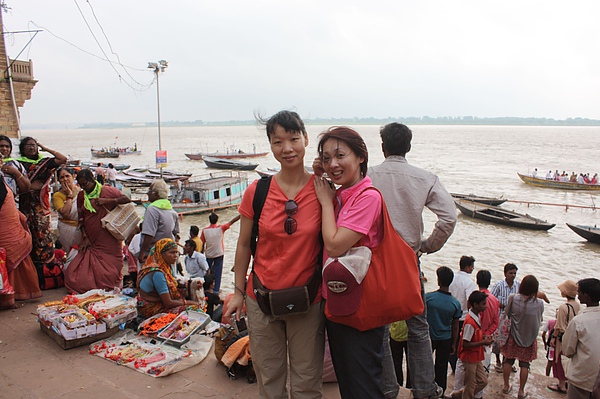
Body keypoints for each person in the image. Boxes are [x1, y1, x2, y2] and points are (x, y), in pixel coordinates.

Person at [226, 110, 325, 399]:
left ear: (306, 139)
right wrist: (237, 292)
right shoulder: (257, 191)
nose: (287, 148)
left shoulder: (323, 190)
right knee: (269, 381)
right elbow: (244, 244)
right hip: (261, 300)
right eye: (278, 141)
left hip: (309, 300)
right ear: (270, 145)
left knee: (307, 383)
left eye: (294, 139)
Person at [367, 122, 456, 399]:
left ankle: (388, 389)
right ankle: (425, 390)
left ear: (383, 148)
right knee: (418, 328)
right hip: (408, 259)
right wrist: (427, 246)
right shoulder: (425, 178)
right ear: (408, 147)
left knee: (380, 328)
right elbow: (449, 217)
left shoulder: (367, 175)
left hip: (375, 260)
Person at [311, 126, 387, 399]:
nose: (333, 164)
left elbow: (334, 244)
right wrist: (321, 177)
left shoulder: (367, 197)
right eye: (326, 157)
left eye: (340, 155)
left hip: (361, 309)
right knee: (350, 384)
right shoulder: (344, 194)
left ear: (361, 157)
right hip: (341, 303)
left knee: (363, 386)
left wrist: (325, 203)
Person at [63, 169, 131, 294]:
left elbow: (126, 199)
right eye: (81, 185)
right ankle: (95, 287)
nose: (84, 187)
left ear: (92, 180)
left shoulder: (107, 191)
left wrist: (108, 201)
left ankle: (111, 285)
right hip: (92, 238)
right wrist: (85, 236)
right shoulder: (82, 196)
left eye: (86, 184)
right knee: (75, 273)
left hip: (109, 236)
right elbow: (81, 218)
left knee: (112, 266)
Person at [17, 137, 67, 269]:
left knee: (43, 234)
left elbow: (62, 159)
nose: (32, 147)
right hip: (23, 204)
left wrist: (45, 148)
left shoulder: (44, 163)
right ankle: (30, 267)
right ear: (22, 149)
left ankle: (47, 267)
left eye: (34, 145)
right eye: (28, 145)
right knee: (26, 234)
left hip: (39, 205)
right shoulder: (17, 164)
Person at [0, 176, 42, 310]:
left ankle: (12, 296)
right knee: (7, 257)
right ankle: (7, 299)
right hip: (5, 227)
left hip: (9, 225)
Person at [500, 275, 544, 399]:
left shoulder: (513, 298)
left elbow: (506, 314)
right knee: (525, 365)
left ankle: (506, 386)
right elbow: (539, 318)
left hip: (513, 336)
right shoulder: (539, 303)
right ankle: (521, 391)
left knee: (508, 360)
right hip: (529, 338)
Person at [136, 238, 199, 318]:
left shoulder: (167, 266)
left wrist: (193, 284)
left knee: (185, 291)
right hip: (151, 306)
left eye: (176, 252)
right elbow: (168, 303)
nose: (175, 255)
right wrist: (189, 302)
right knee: (194, 309)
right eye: (172, 252)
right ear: (161, 253)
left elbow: (173, 281)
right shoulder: (158, 272)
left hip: (160, 300)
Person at [448, 291, 493, 399]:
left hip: (476, 356)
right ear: (476, 305)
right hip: (469, 358)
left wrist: (483, 338)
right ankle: (465, 395)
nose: (486, 306)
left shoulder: (476, 317)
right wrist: (483, 342)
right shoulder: (470, 322)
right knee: (470, 384)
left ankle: (458, 395)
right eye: (483, 304)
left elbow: (473, 336)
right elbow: (465, 343)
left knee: (483, 381)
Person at [426, 266, 462, 395]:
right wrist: (453, 343)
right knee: (441, 367)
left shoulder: (428, 298)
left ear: (438, 281)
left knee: (426, 365)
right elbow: (455, 326)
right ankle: (440, 392)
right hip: (445, 339)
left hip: (429, 337)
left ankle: (425, 390)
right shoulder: (455, 304)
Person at [563, 278, 600, 399]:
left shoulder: (579, 321)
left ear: (586, 296)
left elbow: (568, 350)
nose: (577, 295)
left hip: (581, 378)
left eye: (579, 292)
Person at [548, 279, 581, 394]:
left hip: (563, 338)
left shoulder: (563, 307)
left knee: (559, 360)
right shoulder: (578, 305)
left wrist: (553, 338)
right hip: (574, 337)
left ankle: (561, 385)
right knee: (569, 360)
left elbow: (559, 326)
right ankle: (567, 381)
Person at [138, 179, 180, 264]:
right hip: (168, 253)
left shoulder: (152, 209)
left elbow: (149, 234)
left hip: (154, 253)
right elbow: (175, 234)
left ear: (155, 194)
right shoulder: (172, 210)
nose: (148, 193)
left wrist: (142, 251)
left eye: (149, 191)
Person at [449, 256, 478, 374]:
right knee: (460, 343)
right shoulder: (468, 282)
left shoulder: (452, 278)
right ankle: (458, 368)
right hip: (462, 317)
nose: (472, 269)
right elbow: (470, 300)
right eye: (472, 266)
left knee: (451, 342)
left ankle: (453, 365)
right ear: (467, 267)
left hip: (450, 315)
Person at [473, 270, 499, 399]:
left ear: (477, 281)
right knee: (484, 370)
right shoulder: (494, 300)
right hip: (487, 340)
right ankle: (479, 395)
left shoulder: (474, 299)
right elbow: (496, 321)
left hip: (474, 339)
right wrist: (487, 334)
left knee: (471, 371)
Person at [201, 212, 240, 293]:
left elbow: (202, 243)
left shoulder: (205, 231)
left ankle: (207, 288)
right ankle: (216, 289)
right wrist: (241, 215)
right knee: (218, 273)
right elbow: (232, 221)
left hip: (208, 254)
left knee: (208, 272)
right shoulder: (221, 228)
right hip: (219, 253)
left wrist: (201, 254)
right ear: (217, 220)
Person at [491, 262, 520, 371]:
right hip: (500, 317)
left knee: (510, 341)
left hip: (513, 319)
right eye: (510, 273)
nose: (513, 275)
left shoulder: (518, 285)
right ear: (505, 273)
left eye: (514, 273)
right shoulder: (499, 285)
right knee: (498, 340)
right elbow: (491, 300)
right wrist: (501, 305)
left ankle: (507, 361)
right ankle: (498, 360)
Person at [52, 167, 82, 251]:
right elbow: (64, 213)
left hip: (83, 229)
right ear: (59, 180)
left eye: (67, 176)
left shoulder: (81, 191)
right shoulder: (57, 195)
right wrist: (69, 196)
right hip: (68, 229)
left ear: (73, 177)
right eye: (62, 177)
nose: (65, 179)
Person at [0, 135, 30, 201]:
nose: (4, 148)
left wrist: (16, 172)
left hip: (12, 204)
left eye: (7, 146)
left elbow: (26, 188)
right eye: (1, 146)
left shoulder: (16, 165)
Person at [390, 321, 411, 389]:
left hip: (395, 334)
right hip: (409, 334)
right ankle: (410, 386)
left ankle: (398, 385)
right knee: (411, 363)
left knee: (396, 363)